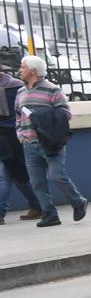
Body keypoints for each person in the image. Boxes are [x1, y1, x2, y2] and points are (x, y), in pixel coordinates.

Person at [14, 55, 84, 226]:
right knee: (37, 182)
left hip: (49, 141)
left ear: (33, 70)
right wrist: (20, 135)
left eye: (23, 67)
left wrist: (41, 115)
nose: (20, 70)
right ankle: (50, 215)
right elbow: (18, 116)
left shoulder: (52, 89)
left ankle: (78, 202)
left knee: (57, 176)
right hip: (28, 143)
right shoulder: (20, 92)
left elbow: (65, 113)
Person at [0, 63, 35, 222]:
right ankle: (38, 205)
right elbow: (26, 110)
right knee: (17, 174)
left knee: (6, 175)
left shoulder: (15, 88)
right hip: (15, 134)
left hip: (9, 135)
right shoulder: (18, 86)